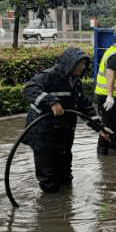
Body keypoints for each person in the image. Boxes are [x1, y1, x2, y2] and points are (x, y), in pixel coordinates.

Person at [22, 47, 99, 193]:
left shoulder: (75, 81)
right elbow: (29, 89)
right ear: (70, 64)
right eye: (80, 64)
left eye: (84, 64)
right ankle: (50, 209)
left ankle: (66, 207)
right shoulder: (49, 76)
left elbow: (83, 106)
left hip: (64, 132)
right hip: (43, 133)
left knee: (65, 174)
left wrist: (100, 127)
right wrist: (51, 102)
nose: (83, 68)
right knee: (49, 176)